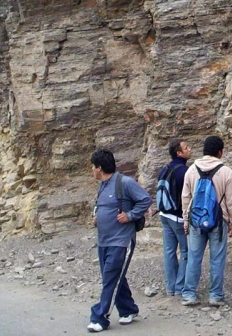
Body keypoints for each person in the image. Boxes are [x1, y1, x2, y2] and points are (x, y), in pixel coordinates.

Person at [88, 149, 151, 333]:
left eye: (93, 167)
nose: (92, 170)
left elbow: (145, 199)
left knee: (110, 278)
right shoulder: (102, 185)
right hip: (104, 240)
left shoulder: (124, 182)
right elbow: (103, 206)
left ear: (99, 168)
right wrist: (96, 218)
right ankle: (128, 309)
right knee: (114, 277)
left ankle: (100, 317)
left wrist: (130, 215)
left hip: (121, 240)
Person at [180, 135, 232, 307]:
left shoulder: (191, 170)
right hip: (219, 222)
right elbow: (231, 202)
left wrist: (186, 220)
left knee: (194, 257)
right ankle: (215, 295)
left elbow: (185, 197)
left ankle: (189, 294)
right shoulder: (226, 172)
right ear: (220, 152)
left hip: (196, 220)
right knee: (217, 258)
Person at [157, 139, 192, 296]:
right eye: (186, 148)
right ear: (179, 153)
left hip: (164, 214)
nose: (189, 149)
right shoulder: (184, 172)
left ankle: (171, 287)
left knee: (169, 251)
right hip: (178, 217)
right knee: (186, 251)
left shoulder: (164, 169)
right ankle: (180, 287)